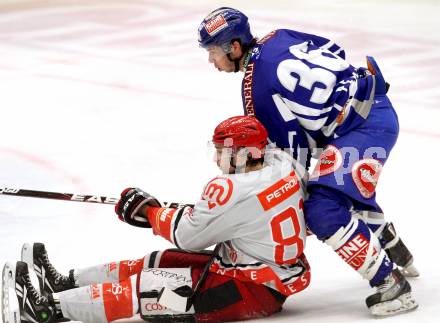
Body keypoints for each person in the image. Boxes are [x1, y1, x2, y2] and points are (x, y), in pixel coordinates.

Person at [198, 7, 418, 316]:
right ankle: (396, 252)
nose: (211, 60)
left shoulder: (256, 91)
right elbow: (334, 51)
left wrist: (285, 201)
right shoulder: (278, 36)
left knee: (322, 208)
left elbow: (293, 156)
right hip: (372, 106)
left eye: (213, 52)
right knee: (334, 186)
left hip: (363, 128)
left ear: (234, 47)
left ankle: (390, 284)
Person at [2, 116, 311, 323]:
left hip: (249, 289)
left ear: (245, 152)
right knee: (159, 260)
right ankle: (61, 282)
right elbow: (250, 213)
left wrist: (149, 212)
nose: (218, 159)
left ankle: (45, 312)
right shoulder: (283, 165)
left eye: (223, 151)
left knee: (148, 287)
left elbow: (189, 235)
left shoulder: (231, 188)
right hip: (255, 268)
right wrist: (210, 214)